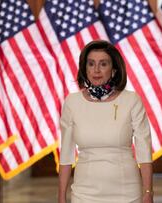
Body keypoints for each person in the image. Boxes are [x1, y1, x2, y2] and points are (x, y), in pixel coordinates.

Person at [58, 40, 153, 203]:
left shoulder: (131, 100)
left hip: (127, 193)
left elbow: (144, 151)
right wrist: (61, 196)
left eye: (103, 64)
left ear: (114, 69)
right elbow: (66, 154)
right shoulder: (72, 102)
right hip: (83, 194)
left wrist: (148, 192)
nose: (96, 70)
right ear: (84, 68)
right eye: (91, 64)